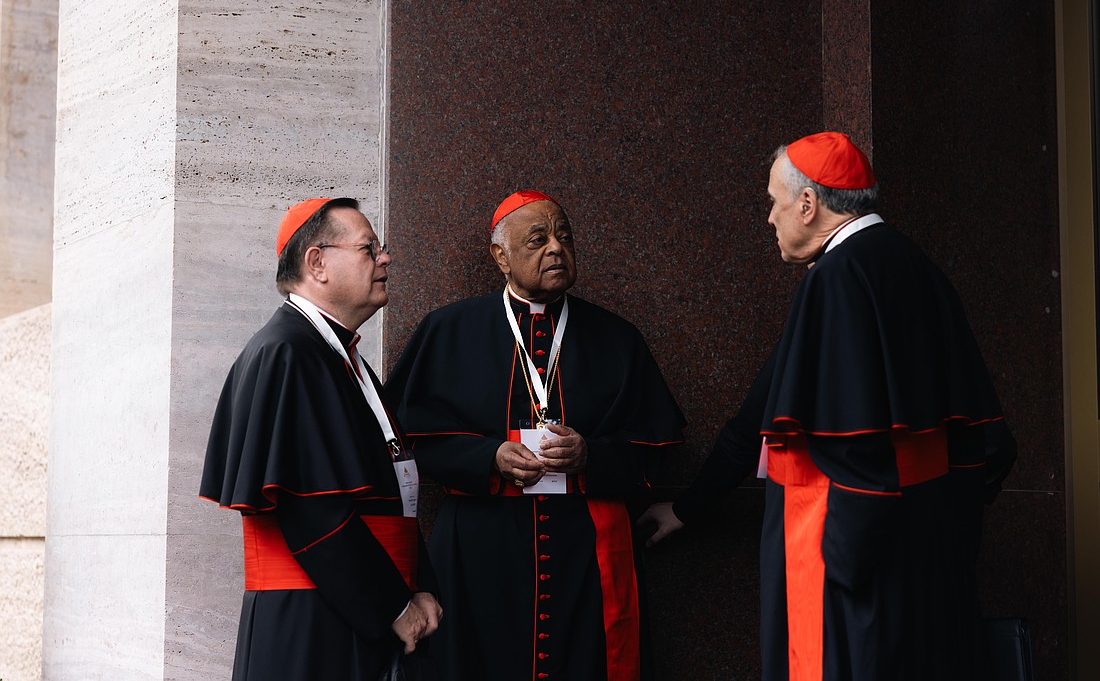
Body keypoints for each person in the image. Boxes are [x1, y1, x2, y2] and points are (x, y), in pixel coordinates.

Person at [639, 132, 1017, 681]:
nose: (770, 218)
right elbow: (990, 442)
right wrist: (689, 507)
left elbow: (856, 449)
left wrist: (845, 570)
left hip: (848, 568)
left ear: (809, 204)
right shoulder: (918, 267)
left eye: (774, 201)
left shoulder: (837, 278)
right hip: (931, 555)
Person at [386, 189, 686, 681]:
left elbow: (654, 451)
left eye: (564, 237)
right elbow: (406, 444)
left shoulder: (616, 338)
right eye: (538, 239)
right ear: (500, 256)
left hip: (584, 555)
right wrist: (488, 457)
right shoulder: (448, 331)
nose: (555, 249)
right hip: (480, 549)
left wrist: (591, 454)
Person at [200, 197, 443, 680]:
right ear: (317, 263)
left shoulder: (338, 356)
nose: (385, 258)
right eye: (369, 248)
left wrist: (420, 586)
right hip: (315, 619)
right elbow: (311, 511)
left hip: (351, 605)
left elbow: (389, 487)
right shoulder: (286, 353)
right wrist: (395, 606)